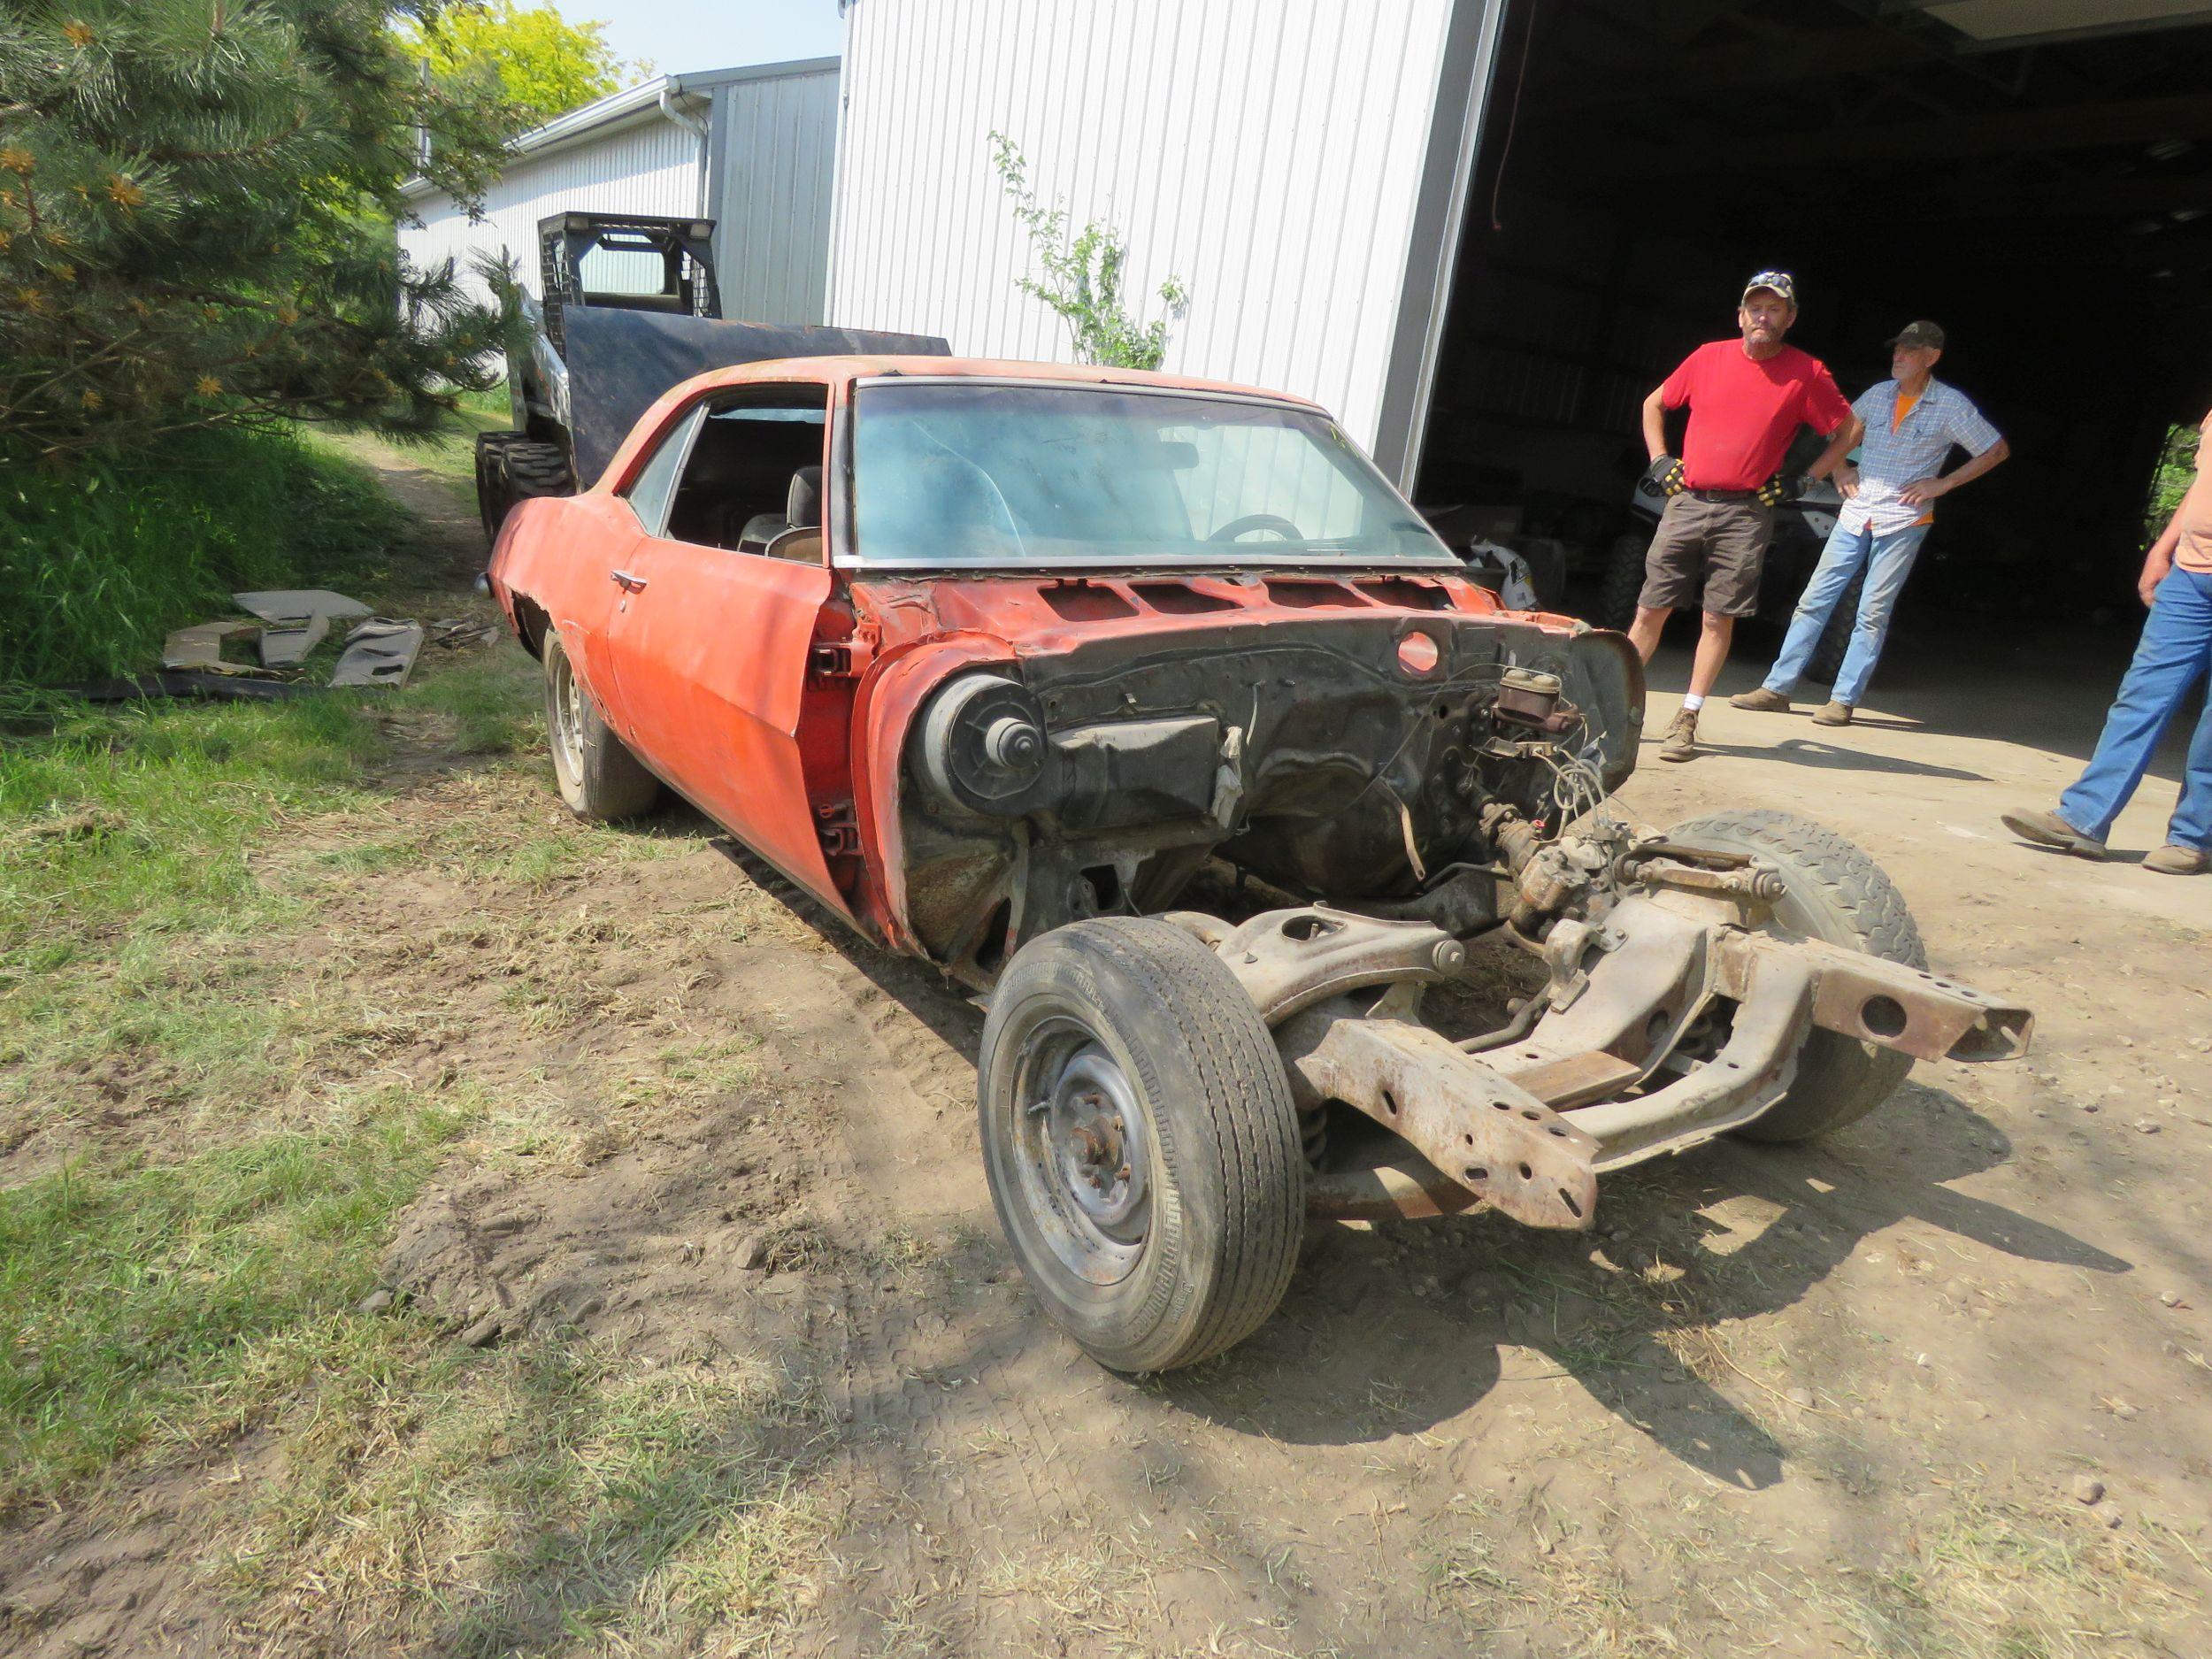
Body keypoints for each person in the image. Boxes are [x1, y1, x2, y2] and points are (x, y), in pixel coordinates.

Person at [1733, 321, 2008, 726]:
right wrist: (1841, 470)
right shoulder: (1878, 395)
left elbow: (1996, 449)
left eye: (1910, 351)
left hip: (1904, 520)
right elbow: (1840, 434)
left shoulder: (1951, 406)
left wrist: (1944, 483)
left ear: (1931, 358)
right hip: (1857, 512)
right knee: (1814, 599)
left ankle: (1842, 700)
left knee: (1872, 611)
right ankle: (1777, 688)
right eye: (1897, 349)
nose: (1898, 356)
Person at [1630, 272, 1857, 761]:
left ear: (1789, 318)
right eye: (1755, 307)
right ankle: (1615, 703)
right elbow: (1654, 403)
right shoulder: (1707, 357)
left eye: (1774, 309)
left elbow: (1848, 430)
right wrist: (1659, 460)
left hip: (1747, 511)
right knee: (1650, 608)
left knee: (1717, 617)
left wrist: (1805, 479)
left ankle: (1687, 717)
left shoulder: (1806, 372)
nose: (1763, 316)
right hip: (1687, 501)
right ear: (1740, 314)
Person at [2002, 406, 2212, 876]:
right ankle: (2083, 818)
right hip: (2191, 578)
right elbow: (2203, 486)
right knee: (2140, 699)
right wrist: (2162, 548)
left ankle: (2193, 839)